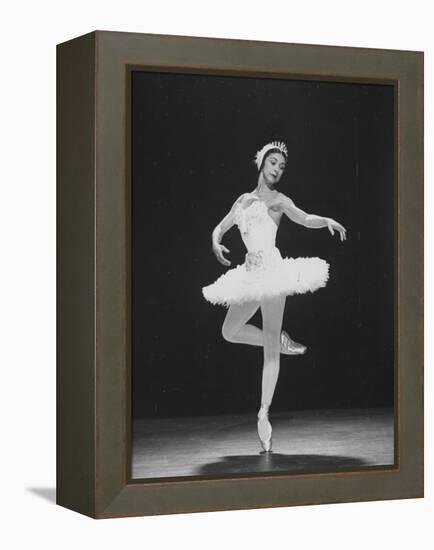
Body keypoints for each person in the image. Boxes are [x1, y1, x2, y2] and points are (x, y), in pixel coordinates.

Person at [202, 141, 347, 453]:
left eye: (282, 166)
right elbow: (221, 226)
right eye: (273, 162)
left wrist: (326, 222)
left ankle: (263, 413)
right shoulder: (242, 200)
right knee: (229, 331)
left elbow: (304, 217)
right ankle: (280, 340)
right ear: (261, 162)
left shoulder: (279, 200)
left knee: (269, 350)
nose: (278, 168)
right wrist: (216, 242)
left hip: (272, 271)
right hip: (249, 274)